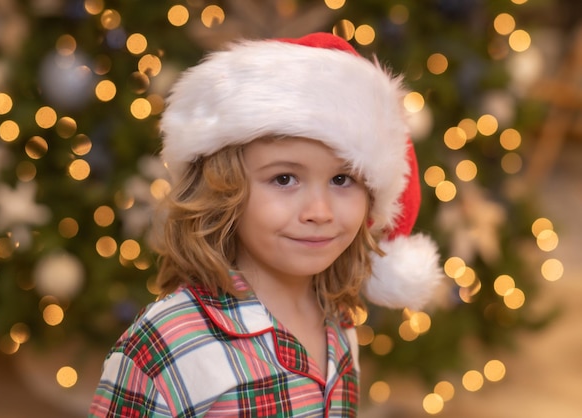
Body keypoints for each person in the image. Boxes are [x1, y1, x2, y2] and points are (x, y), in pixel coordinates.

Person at [88, 32, 441, 417]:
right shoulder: (166, 345)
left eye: (342, 180)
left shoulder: (338, 322)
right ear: (225, 189)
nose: (319, 211)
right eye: (284, 179)